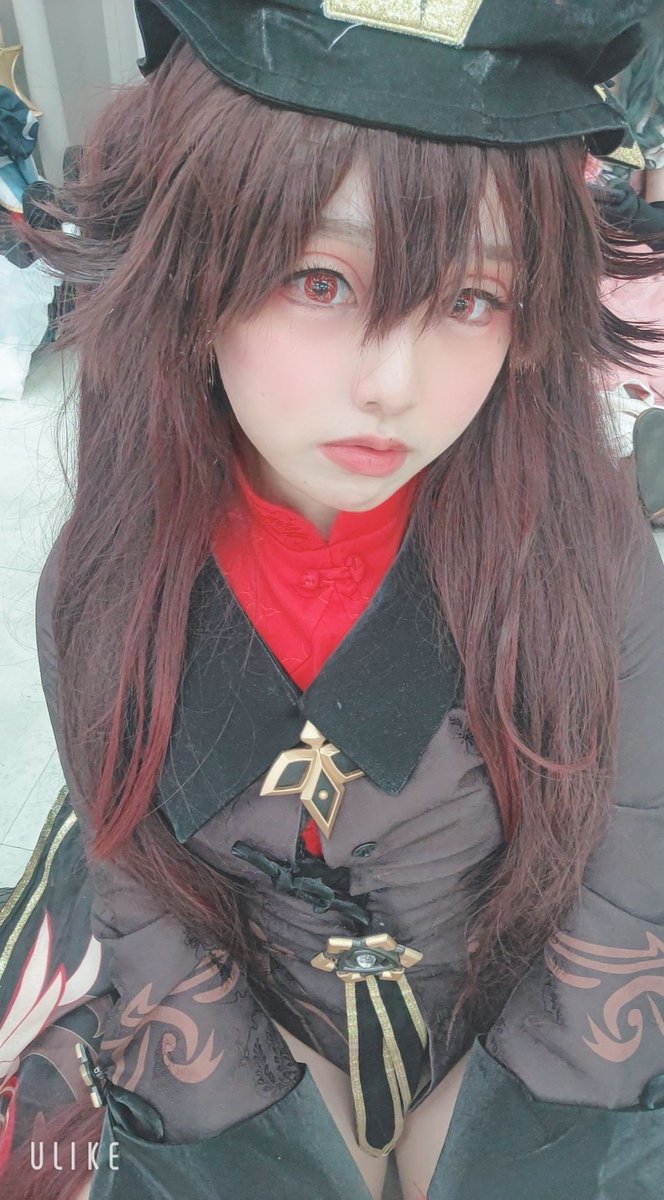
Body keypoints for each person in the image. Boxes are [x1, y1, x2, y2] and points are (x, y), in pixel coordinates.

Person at [1, 3, 664, 1198]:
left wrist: (502, 1123)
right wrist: (267, 1105)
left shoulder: (587, 552)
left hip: (520, 1043)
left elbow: (634, 856)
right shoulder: (101, 584)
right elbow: (135, 887)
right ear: (194, 270)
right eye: (319, 279)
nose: (393, 383)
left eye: (471, 298)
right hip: (255, 1043)